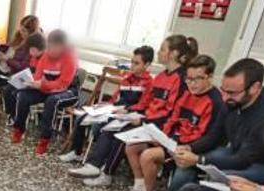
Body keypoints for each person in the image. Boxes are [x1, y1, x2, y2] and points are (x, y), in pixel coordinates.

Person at [69, 34, 195, 179]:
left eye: (162, 49)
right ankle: (93, 165)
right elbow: (148, 103)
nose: (159, 53)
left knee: (122, 133)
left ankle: (107, 174)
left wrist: (142, 121)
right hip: (147, 119)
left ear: (174, 54)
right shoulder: (161, 76)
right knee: (112, 127)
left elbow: (172, 113)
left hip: (160, 127)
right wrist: (132, 113)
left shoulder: (180, 79)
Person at [171, 58, 264, 191]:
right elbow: (215, 135)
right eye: (223, 90)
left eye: (231, 93)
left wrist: (200, 159)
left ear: (254, 88)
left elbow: (244, 160)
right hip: (237, 152)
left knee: (218, 177)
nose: (225, 98)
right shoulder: (232, 100)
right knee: (187, 165)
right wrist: (190, 148)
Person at [123, 54, 224, 191]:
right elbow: (172, 118)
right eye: (188, 79)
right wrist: (163, 137)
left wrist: (175, 143)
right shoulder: (186, 93)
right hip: (172, 141)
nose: (192, 84)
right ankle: (140, 185)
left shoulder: (215, 101)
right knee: (131, 146)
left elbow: (204, 135)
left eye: (198, 79)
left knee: (147, 156)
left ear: (210, 77)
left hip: (190, 147)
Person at [59, 45, 153, 163]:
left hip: (128, 115)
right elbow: (115, 98)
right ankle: (76, 152)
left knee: (104, 128)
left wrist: (127, 109)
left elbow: (143, 105)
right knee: (82, 118)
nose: (132, 66)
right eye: (132, 62)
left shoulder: (149, 83)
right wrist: (105, 105)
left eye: (136, 63)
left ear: (147, 65)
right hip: (114, 110)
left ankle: (96, 163)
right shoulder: (127, 78)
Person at [8, 29, 78, 156]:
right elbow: (38, 75)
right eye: (49, 46)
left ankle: (44, 139)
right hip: (47, 88)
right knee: (22, 95)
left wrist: (43, 84)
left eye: (53, 47)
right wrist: (31, 82)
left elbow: (63, 84)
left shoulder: (70, 58)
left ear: (62, 46)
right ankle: (19, 129)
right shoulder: (46, 55)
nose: (50, 50)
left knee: (52, 101)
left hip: (68, 91)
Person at [0, 32, 45, 124]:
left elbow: (43, 77)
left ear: (38, 48)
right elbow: (30, 70)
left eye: (31, 50)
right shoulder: (34, 57)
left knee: (16, 93)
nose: (30, 53)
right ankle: (11, 115)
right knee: (8, 89)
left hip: (39, 87)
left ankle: (18, 119)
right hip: (30, 82)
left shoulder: (45, 58)